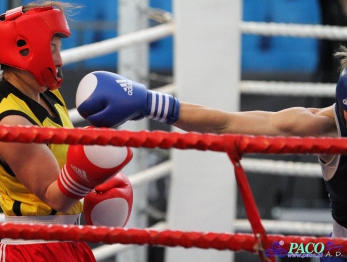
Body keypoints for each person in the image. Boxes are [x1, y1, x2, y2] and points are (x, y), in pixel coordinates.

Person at [75, 48, 347, 261]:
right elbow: (225, 122)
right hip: (338, 251)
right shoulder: (324, 126)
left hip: (330, 246)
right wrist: (150, 104)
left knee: (282, 247)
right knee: (281, 248)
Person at [0, 0, 133, 262]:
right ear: (24, 47)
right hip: (31, 250)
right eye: (52, 48)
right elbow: (56, 197)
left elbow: (65, 164)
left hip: (69, 241)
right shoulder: (12, 122)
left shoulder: (48, 96)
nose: (59, 58)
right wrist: (93, 170)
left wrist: (97, 171)